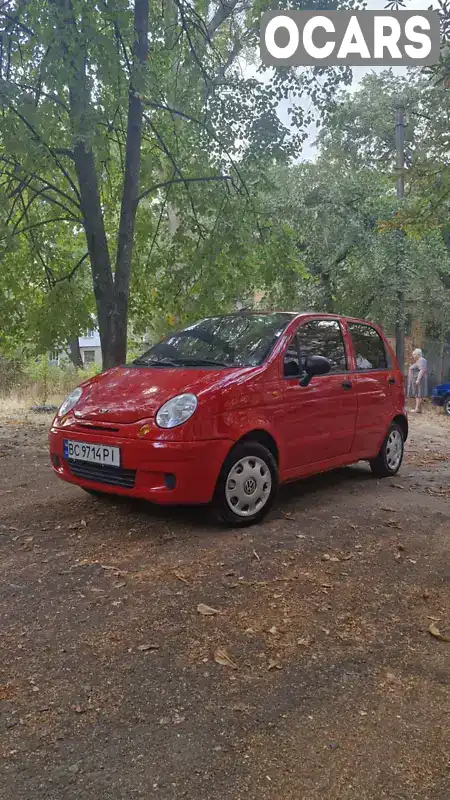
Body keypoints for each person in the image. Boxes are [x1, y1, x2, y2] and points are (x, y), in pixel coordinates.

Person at [407, 348, 428, 413]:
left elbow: (422, 370)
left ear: (418, 354)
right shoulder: (418, 361)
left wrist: (418, 379)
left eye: (414, 354)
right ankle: (419, 409)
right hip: (416, 380)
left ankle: (417, 409)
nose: (413, 356)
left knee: (419, 395)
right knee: (417, 395)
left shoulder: (422, 360)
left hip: (420, 381)